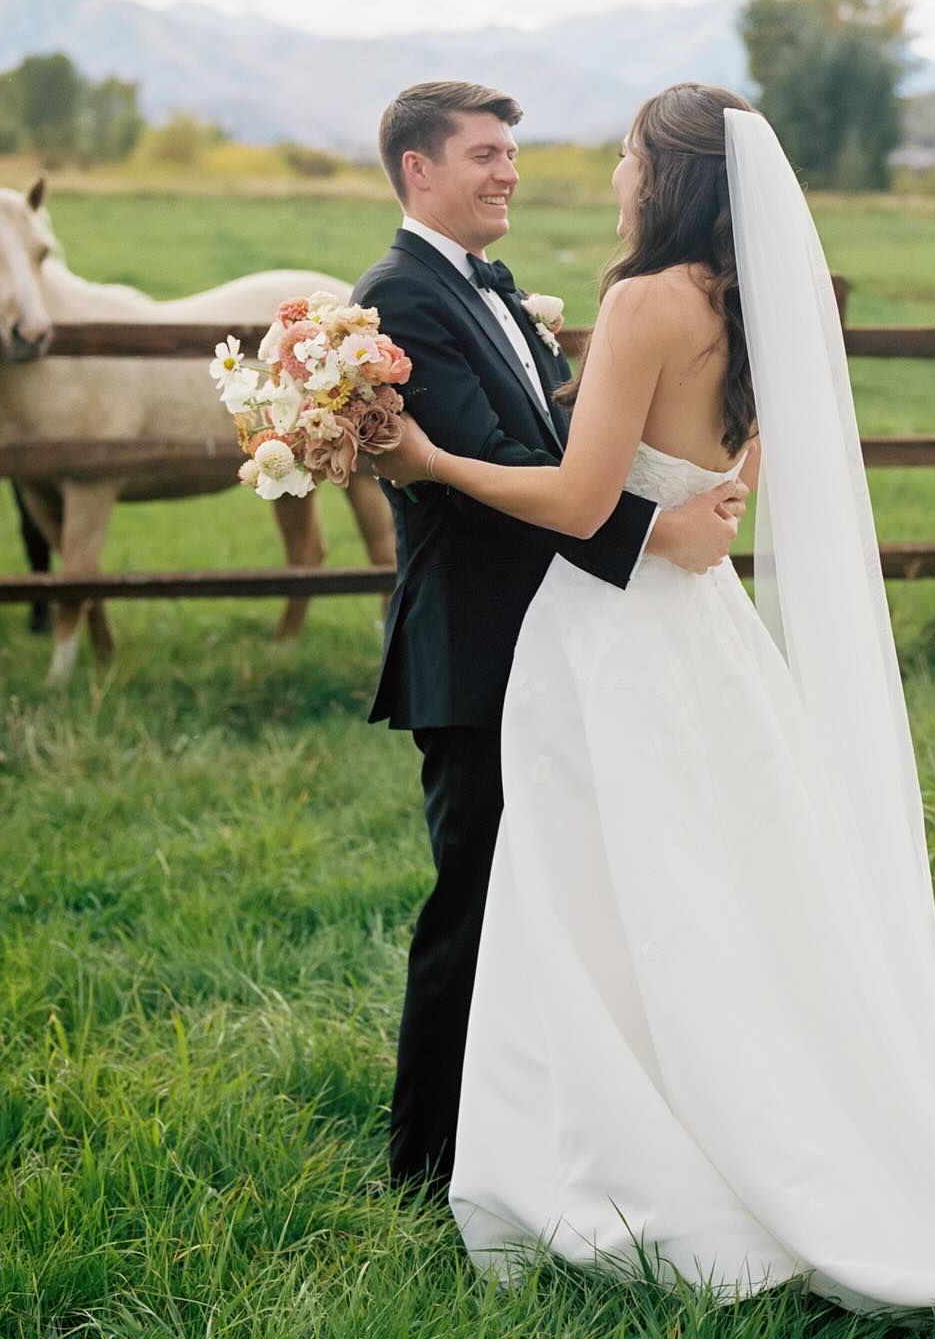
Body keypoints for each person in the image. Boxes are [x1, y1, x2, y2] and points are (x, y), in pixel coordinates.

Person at [374, 83, 935, 1332]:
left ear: (675, 174)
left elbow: (585, 501)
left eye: (631, 155)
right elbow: (732, 484)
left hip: (613, 641)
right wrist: (689, 515)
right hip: (706, 634)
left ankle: (625, 1146)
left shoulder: (643, 300)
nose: (611, 176)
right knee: (701, 894)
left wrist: (424, 462)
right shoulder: (751, 308)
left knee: (596, 893)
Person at [353, 80, 748, 1194]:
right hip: (476, 645)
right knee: (471, 908)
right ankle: (426, 1165)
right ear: (416, 169)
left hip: (568, 638)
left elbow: (555, 446)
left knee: (562, 907)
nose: (508, 173)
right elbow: (509, 479)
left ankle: (552, 1133)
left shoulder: (498, 287)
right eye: (483, 154)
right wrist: (657, 530)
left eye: (511, 153)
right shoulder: (400, 298)